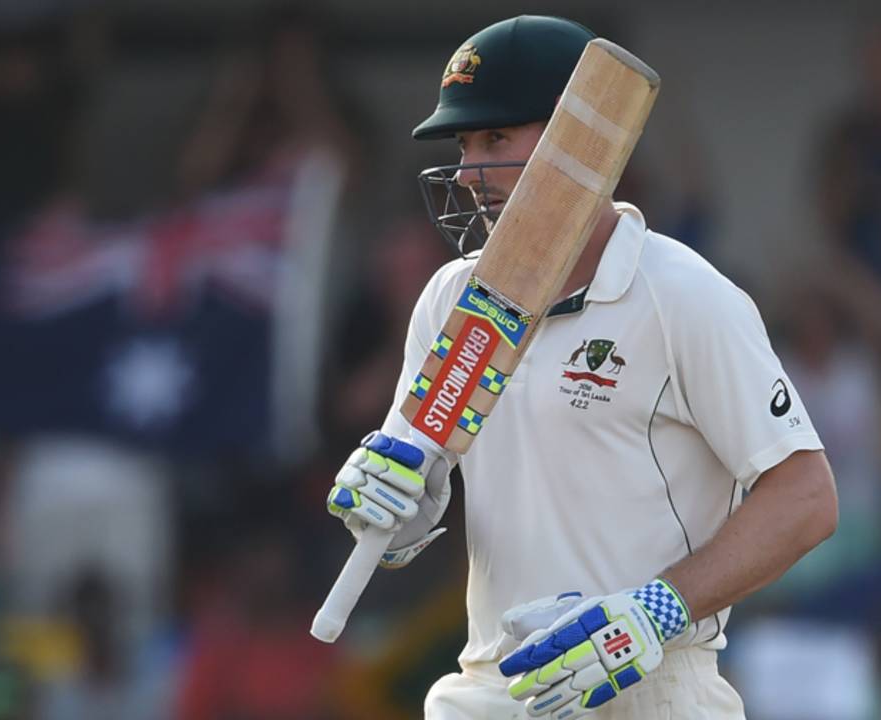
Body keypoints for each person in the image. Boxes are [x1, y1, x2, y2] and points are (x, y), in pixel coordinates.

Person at [324, 16, 838, 720]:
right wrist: (393, 514)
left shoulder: (681, 296)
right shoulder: (453, 298)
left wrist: (657, 610)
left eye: (496, 138)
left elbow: (806, 495)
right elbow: (418, 476)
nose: (470, 173)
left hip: (647, 688)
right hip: (491, 689)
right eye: (465, 143)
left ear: (582, 142)